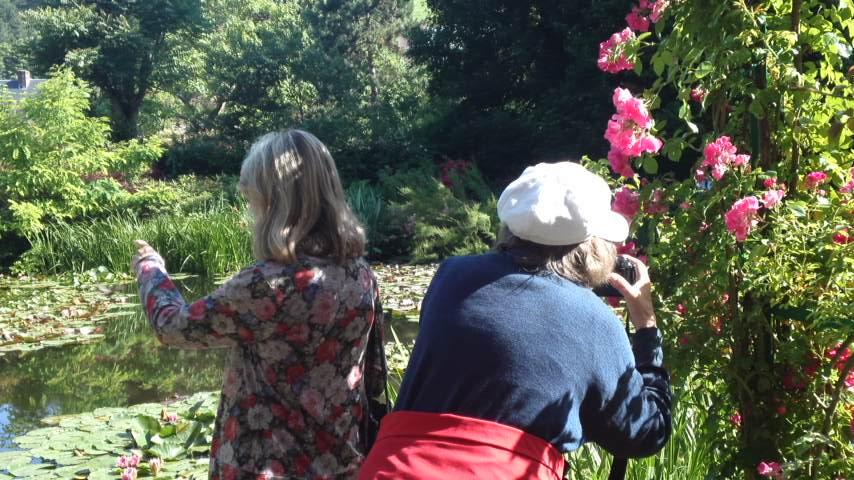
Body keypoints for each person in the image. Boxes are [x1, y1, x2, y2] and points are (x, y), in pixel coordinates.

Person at [359, 162, 672, 480]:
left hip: (391, 469)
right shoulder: (595, 320)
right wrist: (646, 325)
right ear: (594, 246)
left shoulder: (451, 276)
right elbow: (646, 432)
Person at [132, 130, 385, 479]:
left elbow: (173, 326)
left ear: (274, 204)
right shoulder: (361, 275)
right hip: (341, 464)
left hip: (263, 467)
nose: (253, 213)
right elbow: (374, 374)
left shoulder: (267, 285)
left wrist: (150, 268)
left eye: (254, 201)